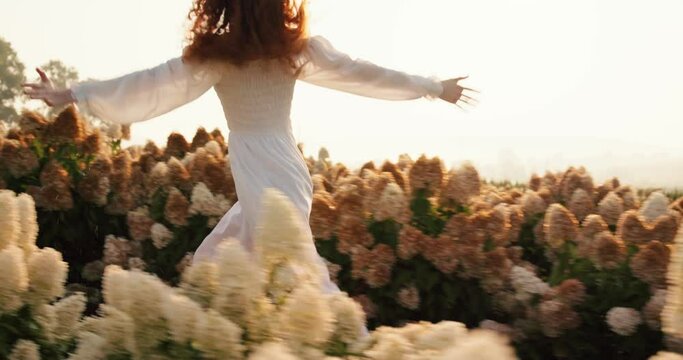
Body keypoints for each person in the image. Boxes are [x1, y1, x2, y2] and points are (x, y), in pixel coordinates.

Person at [22, 0, 478, 298]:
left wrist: (72, 94)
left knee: (284, 265)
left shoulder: (242, 52)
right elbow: (363, 72)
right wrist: (433, 87)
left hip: (267, 166)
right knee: (229, 256)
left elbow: (147, 85)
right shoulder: (284, 49)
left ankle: (325, 338)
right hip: (279, 163)